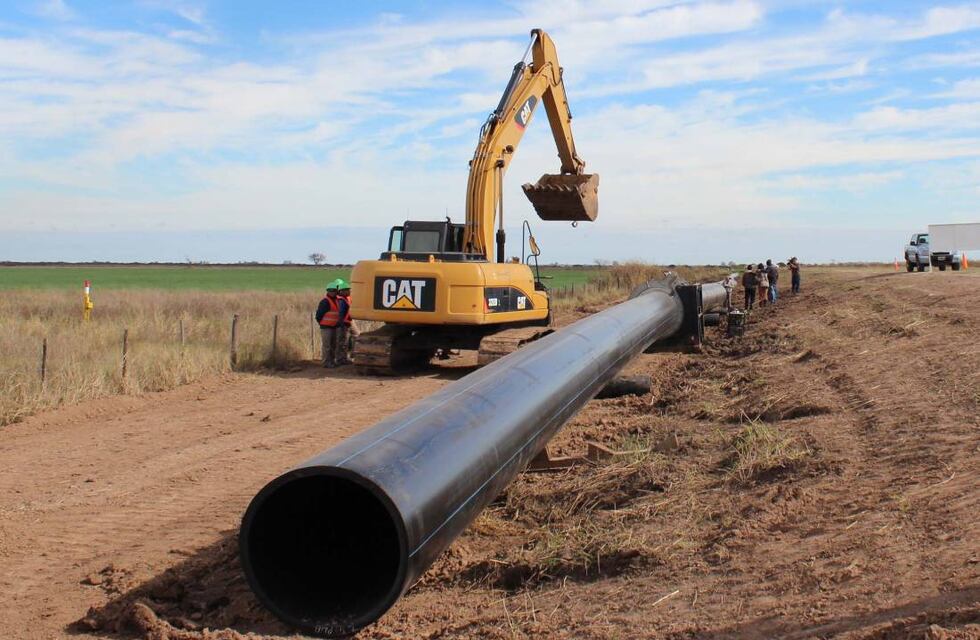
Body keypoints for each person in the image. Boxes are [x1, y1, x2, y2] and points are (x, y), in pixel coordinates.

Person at [316, 281, 343, 368]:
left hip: (334, 327)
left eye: (334, 290)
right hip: (326, 327)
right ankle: (326, 362)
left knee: (333, 346)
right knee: (327, 346)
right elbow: (318, 315)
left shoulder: (337, 301)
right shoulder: (325, 302)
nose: (332, 292)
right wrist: (323, 323)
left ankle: (332, 361)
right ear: (327, 291)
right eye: (330, 290)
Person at [334, 279, 354, 365]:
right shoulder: (342, 301)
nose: (349, 291)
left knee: (345, 342)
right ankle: (340, 360)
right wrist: (342, 325)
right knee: (342, 342)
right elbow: (341, 314)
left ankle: (343, 358)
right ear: (342, 291)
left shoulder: (345, 299)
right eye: (347, 290)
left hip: (346, 323)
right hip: (343, 324)